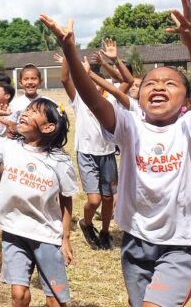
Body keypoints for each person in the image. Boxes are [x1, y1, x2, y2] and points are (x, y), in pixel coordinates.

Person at [41, 0, 191, 307]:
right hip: (136, 239)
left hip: (183, 242)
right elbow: (93, 100)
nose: (159, 86)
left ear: (186, 101)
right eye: (150, 83)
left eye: (170, 83)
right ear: (140, 97)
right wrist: (69, 49)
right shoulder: (129, 125)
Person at [0, 99, 76, 307]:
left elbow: (66, 199)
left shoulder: (59, 161)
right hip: (13, 231)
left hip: (46, 235)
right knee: (18, 294)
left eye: (34, 112)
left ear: (48, 127)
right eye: (26, 109)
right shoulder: (10, 146)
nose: (25, 113)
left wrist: (66, 238)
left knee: (55, 299)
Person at [55, 53, 119, 251]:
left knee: (108, 198)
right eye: (88, 82)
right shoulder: (79, 100)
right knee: (94, 200)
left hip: (107, 154)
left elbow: (124, 81)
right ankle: (87, 223)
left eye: (96, 83)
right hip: (86, 154)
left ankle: (105, 231)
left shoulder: (111, 100)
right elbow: (65, 79)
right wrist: (68, 57)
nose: (92, 86)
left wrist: (108, 63)